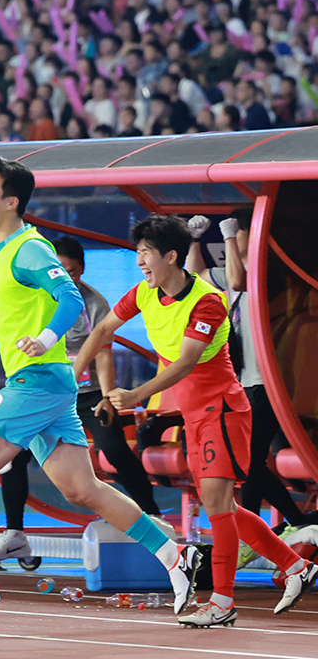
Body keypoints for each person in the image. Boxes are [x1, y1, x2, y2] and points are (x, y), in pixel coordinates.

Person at [0, 157, 199, 622]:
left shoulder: (29, 247)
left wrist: (45, 341)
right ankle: (174, 556)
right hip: (50, 386)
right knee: (82, 489)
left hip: (39, 380)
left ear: (11, 201)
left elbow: (69, 298)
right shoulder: (1, 252)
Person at [74, 215, 318, 627]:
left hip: (220, 409)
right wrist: (71, 379)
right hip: (193, 412)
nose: (140, 262)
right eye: (137, 254)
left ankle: (221, 602)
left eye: (146, 253)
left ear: (171, 256)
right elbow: (102, 332)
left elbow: (186, 362)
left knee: (218, 507)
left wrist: (136, 395)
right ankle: (295, 566)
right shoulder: (143, 294)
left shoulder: (207, 301)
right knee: (222, 505)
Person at [0, 236, 163, 560]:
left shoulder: (91, 303)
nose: (62, 275)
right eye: (57, 269)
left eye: (69, 271)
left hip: (87, 394)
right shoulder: (33, 295)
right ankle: (14, 533)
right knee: (12, 456)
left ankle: (154, 519)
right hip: (44, 393)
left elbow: (104, 353)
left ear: (80, 271)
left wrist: (108, 397)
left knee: (111, 450)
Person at [186, 211, 318, 529]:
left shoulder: (267, 273)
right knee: (247, 462)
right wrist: (194, 240)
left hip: (269, 384)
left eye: (239, 231)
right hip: (243, 381)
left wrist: (229, 237)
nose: (232, 237)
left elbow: (237, 280)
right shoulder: (230, 272)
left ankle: (253, 528)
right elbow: (195, 274)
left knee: (248, 460)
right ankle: (293, 521)